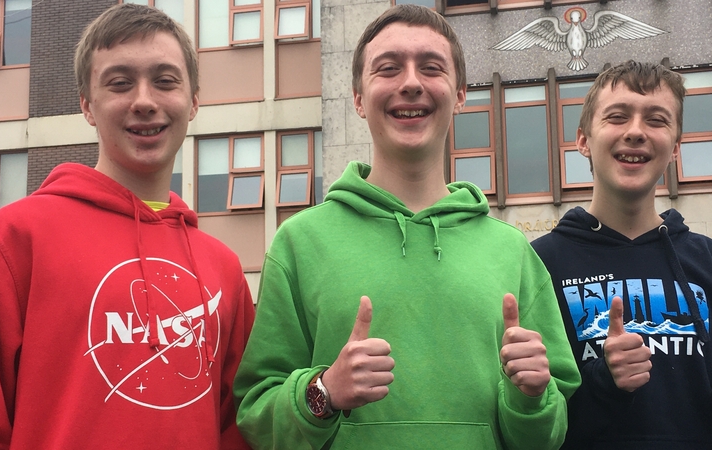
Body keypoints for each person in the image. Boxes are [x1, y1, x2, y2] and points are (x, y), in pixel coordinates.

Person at [234, 4, 580, 449]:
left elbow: (547, 436)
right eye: (389, 68)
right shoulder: (299, 244)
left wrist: (530, 399)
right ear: (358, 98)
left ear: (459, 95)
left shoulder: (513, 252)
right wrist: (323, 392)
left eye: (431, 68)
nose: (412, 83)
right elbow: (257, 419)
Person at [0, 4, 254, 449]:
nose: (144, 101)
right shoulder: (18, 237)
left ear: (194, 101)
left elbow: (237, 430)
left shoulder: (222, 268)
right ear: (87, 105)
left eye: (165, 81)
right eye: (120, 83)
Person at [531, 60, 712, 449]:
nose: (635, 132)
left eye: (657, 120)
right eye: (617, 117)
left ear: (676, 148)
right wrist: (605, 382)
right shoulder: (538, 265)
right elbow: (527, 425)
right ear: (582, 141)